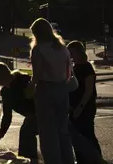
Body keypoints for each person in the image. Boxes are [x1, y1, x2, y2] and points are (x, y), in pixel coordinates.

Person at [30, 18, 74, 164]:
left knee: (48, 133)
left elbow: (37, 74)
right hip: (62, 89)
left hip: (46, 89)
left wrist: (30, 89)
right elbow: (69, 73)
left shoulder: (39, 49)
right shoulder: (62, 48)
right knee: (63, 130)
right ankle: (67, 159)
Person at [0, 62, 39, 164]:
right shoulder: (5, 92)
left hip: (44, 113)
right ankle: (28, 160)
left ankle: (28, 161)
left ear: (0, 76)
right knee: (26, 133)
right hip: (32, 117)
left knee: (27, 132)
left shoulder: (23, 80)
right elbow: (7, 116)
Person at [67, 41, 103, 163]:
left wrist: (79, 108)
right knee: (76, 137)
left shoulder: (87, 68)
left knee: (87, 135)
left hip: (85, 108)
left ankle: (97, 159)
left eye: (71, 53)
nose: (70, 56)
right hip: (74, 108)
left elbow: (88, 91)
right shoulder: (74, 68)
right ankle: (82, 160)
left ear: (78, 52)